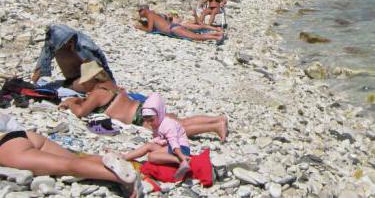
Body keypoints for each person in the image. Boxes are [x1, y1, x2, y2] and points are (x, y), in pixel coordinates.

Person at [59, 61, 228, 140]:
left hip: (139, 117)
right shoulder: (109, 85)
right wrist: (78, 100)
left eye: (85, 81)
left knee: (177, 129)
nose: (83, 85)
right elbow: (95, 104)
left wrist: (71, 103)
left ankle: (215, 126)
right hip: (143, 107)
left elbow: (81, 112)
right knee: (180, 121)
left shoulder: (96, 94)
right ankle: (218, 119)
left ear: (91, 80)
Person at [0, 114, 142, 197]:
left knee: (67, 166)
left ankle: (125, 179)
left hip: (7, 148)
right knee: (74, 159)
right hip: (22, 135)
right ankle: (110, 162)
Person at [121, 94, 191, 179]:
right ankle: (124, 157)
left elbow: (174, 142)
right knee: (148, 146)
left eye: (151, 120)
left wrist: (181, 156)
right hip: (170, 147)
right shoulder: (157, 123)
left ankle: (182, 161)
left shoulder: (168, 124)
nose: (150, 123)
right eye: (147, 121)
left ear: (159, 113)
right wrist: (158, 141)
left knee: (152, 156)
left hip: (181, 149)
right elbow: (159, 139)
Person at [31, 25, 114, 88]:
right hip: (72, 79)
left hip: (93, 79)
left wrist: (110, 88)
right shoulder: (53, 41)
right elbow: (42, 63)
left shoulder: (84, 46)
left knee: (79, 86)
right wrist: (32, 84)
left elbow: (98, 71)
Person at [136, 6, 223, 42]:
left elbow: (150, 30)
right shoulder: (153, 14)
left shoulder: (150, 15)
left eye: (140, 11)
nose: (140, 13)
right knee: (196, 34)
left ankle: (217, 36)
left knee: (196, 37)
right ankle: (217, 34)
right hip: (174, 27)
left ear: (145, 10)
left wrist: (140, 27)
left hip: (173, 29)